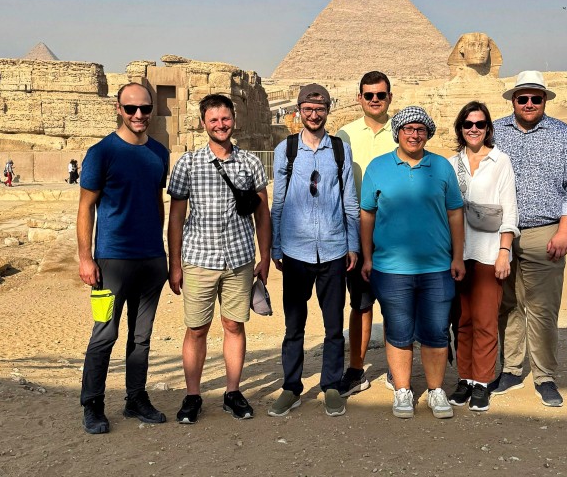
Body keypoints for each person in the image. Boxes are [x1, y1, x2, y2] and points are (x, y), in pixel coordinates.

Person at [167, 94, 271, 423]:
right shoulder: (188, 163)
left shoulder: (251, 164)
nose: (220, 125)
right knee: (196, 329)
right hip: (199, 258)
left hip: (239, 258)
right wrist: (175, 264)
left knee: (234, 326)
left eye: (225, 119)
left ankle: (233, 392)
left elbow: (262, 214)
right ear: (203, 123)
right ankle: (193, 395)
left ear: (234, 120)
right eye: (213, 120)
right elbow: (176, 217)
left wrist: (264, 255)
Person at [360, 106, 465, 420]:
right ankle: (403, 390)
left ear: (428, 134)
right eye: (408, 128)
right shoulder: (377, 167)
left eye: (420, 129)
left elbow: (455, 213)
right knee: (399, 332)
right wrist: (367, 257)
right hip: (391, 269)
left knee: (435, 332)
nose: (414, 134)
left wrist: (458, 256)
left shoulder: (442, 166)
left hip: (436, 267)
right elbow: (367, 214)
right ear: (398, 132)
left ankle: (435, 390)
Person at [492, 71, 567, 407]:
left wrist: (564, 231)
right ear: (513, 100)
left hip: (544, 231)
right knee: (507, 305)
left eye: (536, 98)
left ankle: (545, 375)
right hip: (500, 233)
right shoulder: (494, 132)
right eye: (523, 98)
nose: (530, 103)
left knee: (543, 308)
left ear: (545, 100)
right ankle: (511, 368)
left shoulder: (564, 135)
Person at [77, 82, 170, 434]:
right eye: (131, 108)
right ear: (118, 108)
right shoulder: (101, 152)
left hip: (150, 260)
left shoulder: (160, 153)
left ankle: (135, 399)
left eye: (145, 109)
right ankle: (92, 404)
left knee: (141, 337)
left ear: (152, 110)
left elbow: (156, 202)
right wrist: (86, 259)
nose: (138, 115)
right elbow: (86, 207)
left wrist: (161, 252)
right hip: (111, 261)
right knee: (105, 334)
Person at [269, 83, 359, 418]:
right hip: (295, 251)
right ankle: (291, 387)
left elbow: (349, 201)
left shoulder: (340, 150)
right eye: (308, 108)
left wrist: (353, 245)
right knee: (294, 327)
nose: (313, 114)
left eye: (319, 109)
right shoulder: (286, 150)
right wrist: (276, 245)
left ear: (327, 110)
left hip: (334, 250)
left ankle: (331, 386)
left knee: (333, 326)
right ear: (299, 110)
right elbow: (278, 202)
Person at [446, 101, 519, 412]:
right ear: (460, 129)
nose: (473, 129)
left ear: (488, 128)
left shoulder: (500, 161)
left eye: (479, 124)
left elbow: (509, 209)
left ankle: (483, 380)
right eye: (467, 124)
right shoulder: (451, 165)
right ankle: (465, 377)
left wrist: (505, 251)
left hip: (490, 254)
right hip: (460, 255)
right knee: (462, 322)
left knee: (486, 321)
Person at [335, 70, 397, 397]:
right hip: (357, 232)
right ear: (359, 97)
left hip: (395, 231)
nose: (375, 100)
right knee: (359, 303)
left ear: (390, 97)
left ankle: (394, 368)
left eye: (381, 95)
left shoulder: (403, 133)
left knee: (395, 302)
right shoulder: (343, 136)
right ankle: (356, 369)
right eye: (369, 95)